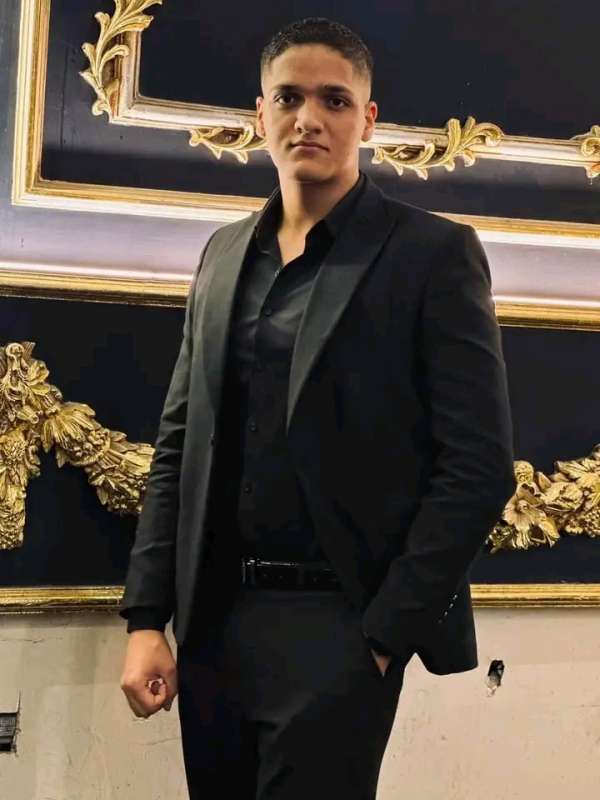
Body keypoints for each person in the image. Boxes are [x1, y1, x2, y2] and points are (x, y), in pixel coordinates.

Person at [119, 16, 516, 800]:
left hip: (339, 627)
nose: (310, 118)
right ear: (260, 113)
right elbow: (178, 447)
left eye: (335, 100)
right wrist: (145, 620)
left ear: (367, 119)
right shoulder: (222, 255)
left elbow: (478, 466)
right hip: (213, 623)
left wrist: (382, 636)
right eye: (289, 97)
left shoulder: (432, 254)